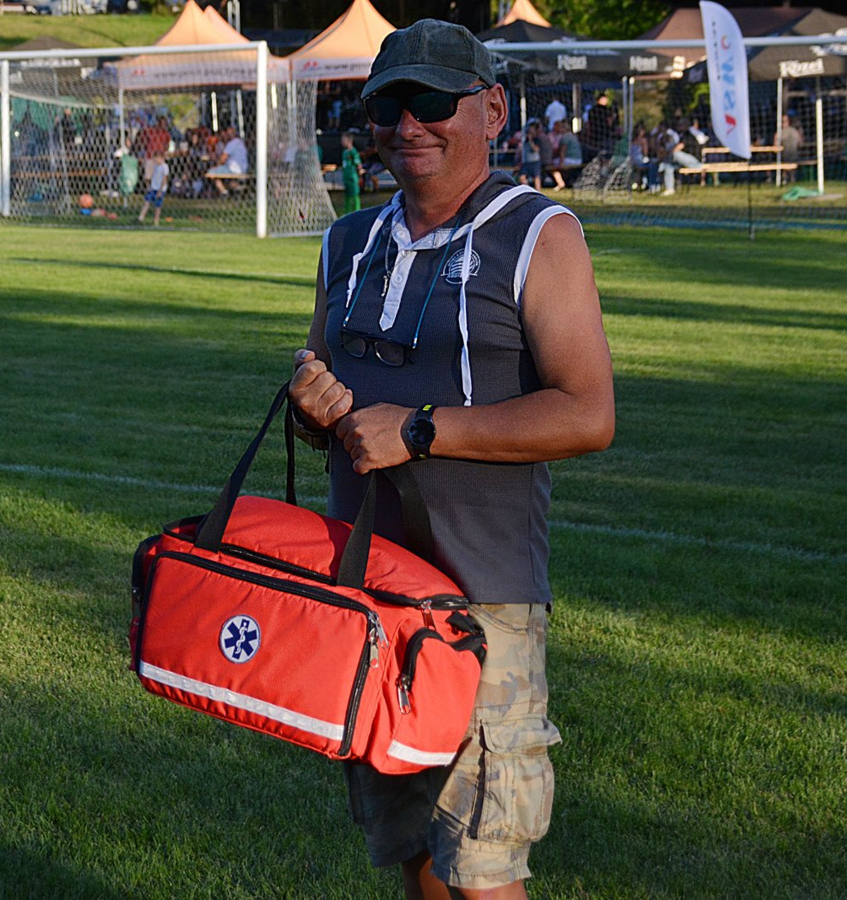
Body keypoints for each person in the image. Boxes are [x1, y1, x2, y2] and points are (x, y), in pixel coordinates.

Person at [288, 19, 615, 900]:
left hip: (483, 601)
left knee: (484, 861)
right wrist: (313, 407)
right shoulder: (347, 242)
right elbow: (330, 402)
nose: (409, 124)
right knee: (413, 849)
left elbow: (588, 413)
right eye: (389, 104)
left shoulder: (538, 233)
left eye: (433, 101)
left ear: (493, 110)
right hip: (367, 592)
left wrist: (423, 429)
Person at [206, 125, 249, 196]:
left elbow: (222, 159)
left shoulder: (231, 144)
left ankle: (224, 192)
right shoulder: (240, 142)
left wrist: (216, 166)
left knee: (211, 172)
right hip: (243, 169)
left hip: (233, 169)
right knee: (224, 174)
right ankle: (236, 187)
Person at [548, 119, 582, 190]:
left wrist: (561, 163)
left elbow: (562, 152)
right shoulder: (573, 136)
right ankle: (566, 182)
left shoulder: (565, 137)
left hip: (571, 160)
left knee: (551, 166)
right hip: (578, 159)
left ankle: (560, 183)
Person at [138, 149, 169, 225]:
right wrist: (149, 185)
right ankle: (140, 218)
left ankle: (156, 221)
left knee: (157, 206)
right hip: (153, 188)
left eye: (156, 158)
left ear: (161, 158)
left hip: (160, 189)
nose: (155, 160)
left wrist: (160, 191)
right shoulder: (155, 166)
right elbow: (151, 175)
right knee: (147, 202)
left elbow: (164, 180)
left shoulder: (164, 167)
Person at [340, 131, 364, 214]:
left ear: (349, 141)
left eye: (343, 140)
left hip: (353, 176)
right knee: (347, 195)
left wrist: (360, 176)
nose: (341, 142)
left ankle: (357, 211)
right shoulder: (344, 152)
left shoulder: (353, 152)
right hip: (346, 176)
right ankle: (347, 212)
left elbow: (359, 165)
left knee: (355, 195)